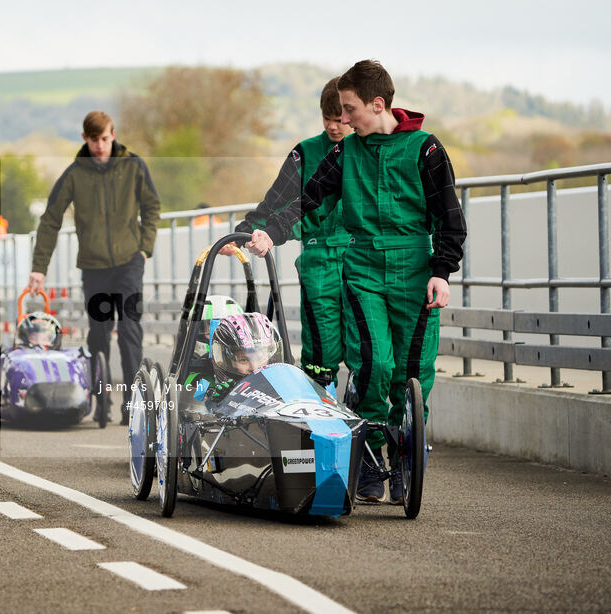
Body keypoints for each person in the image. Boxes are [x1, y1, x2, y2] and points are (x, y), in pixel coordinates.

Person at [245, 60, 467, 504]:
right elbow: (308, 199)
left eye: (349, 110)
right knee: (372, 366)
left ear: (377, 104)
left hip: (414, 272)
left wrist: (442, 272)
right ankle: (368, 457)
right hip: (362, 269)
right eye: (339, 113)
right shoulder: (346, 153)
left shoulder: (426, 150)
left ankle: (407, 462)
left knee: (413, 375)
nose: (343, 121)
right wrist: (272, 230)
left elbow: (449, 218)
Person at [27, 111, 161, 424]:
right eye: (93, 140)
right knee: (98, 336)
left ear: (112, 135)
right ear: (84, 139)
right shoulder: (75, 174)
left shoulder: (134, 167)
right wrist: (39, 268)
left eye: (104, 139)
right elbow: (50, 219)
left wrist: (145, 248)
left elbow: (152, 206)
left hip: (130, 262)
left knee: (129, 330)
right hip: (94, 267)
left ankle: (134, 403)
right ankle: (101, 403)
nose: (100, 146)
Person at [230, 77, 353, 389]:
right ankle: (319, 419)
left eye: (340, 120)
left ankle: (364, 424)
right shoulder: (305, 153)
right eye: (328, 119)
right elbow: (276, 200)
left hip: (360, 258)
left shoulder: (366, 151)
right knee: (320, 352)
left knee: (364, 350)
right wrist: (243, 233)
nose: (334, 127)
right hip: (319, 260)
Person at [187, 313, 283, 403]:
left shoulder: (280, 383)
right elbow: (191, 406)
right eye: (244, 360)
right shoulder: (202, 382)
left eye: (260, 358)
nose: (254, 367)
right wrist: (215, 400)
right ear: (227, 361)